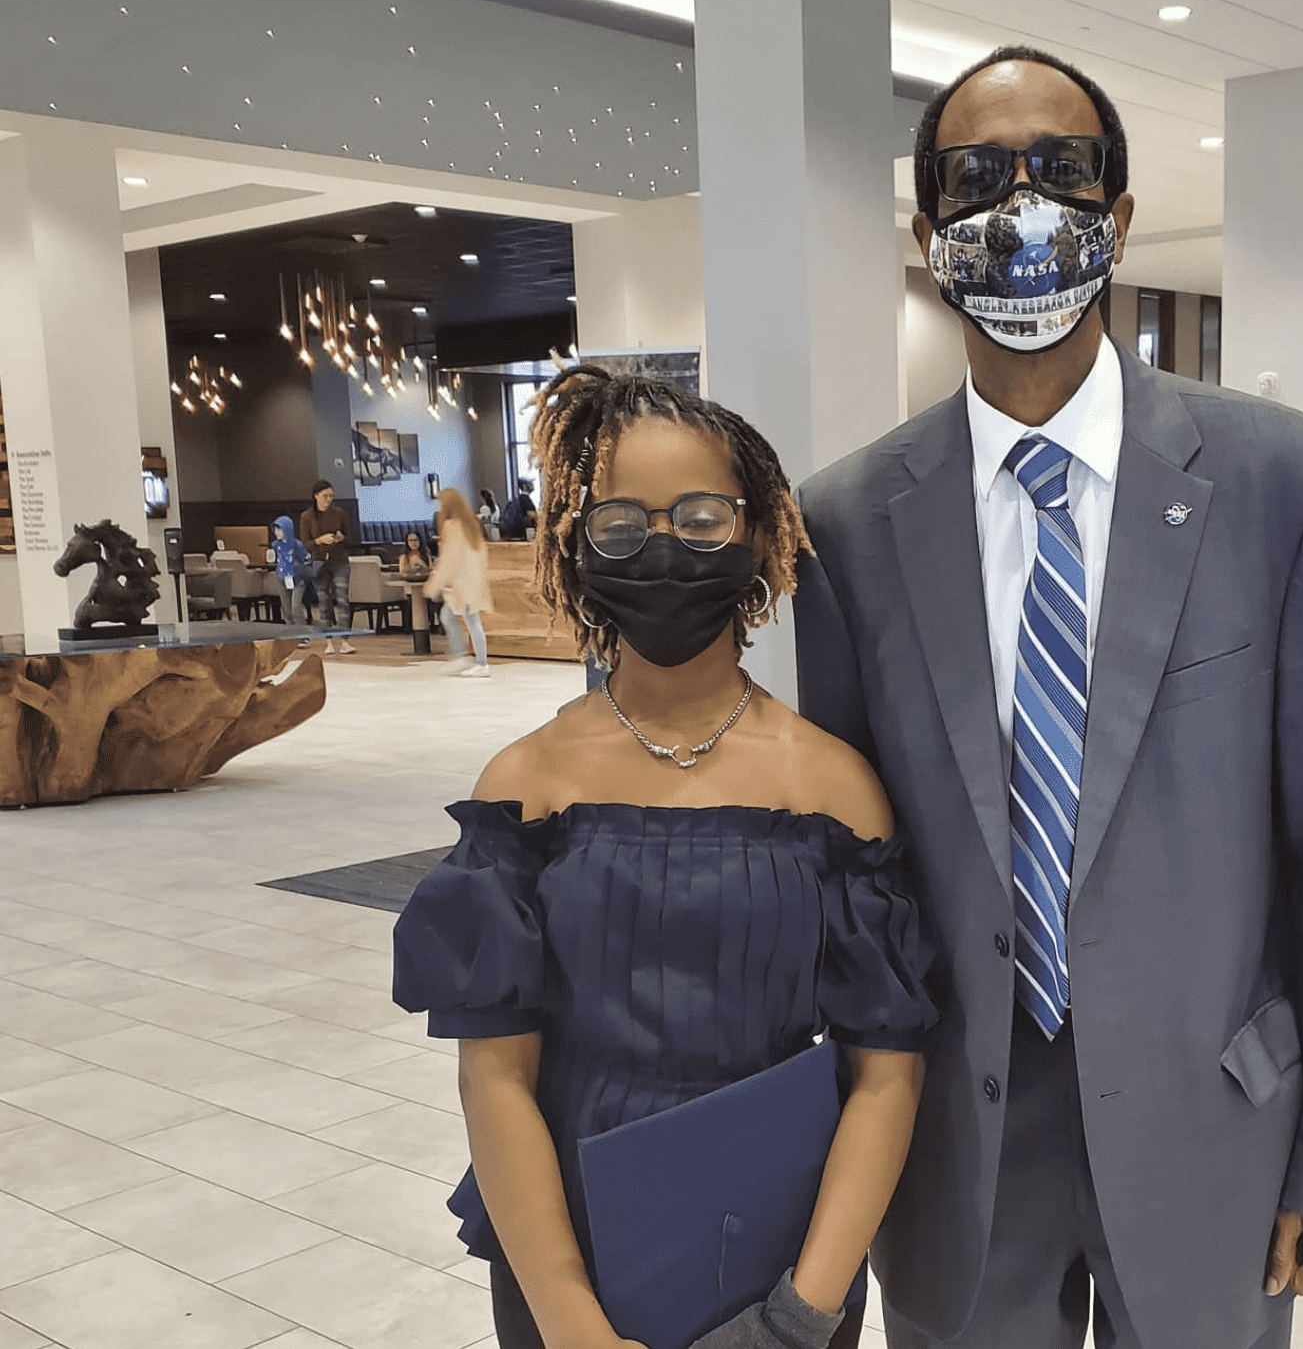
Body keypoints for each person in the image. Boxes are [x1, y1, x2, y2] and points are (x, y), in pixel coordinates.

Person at [792, 46, 1303, 1349]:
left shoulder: (1290, 487)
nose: (1023, 208)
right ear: (928, 230)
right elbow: (851, 869)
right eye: (979, 179)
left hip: (1215, 1120)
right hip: (955, 1132)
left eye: (1061, 173)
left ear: (1118, 217)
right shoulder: (844, 521)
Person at [392, 367, 938, 1349]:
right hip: (572, 1235)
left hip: (784, 1239)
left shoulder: (832, 788)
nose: (662, 549)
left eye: (698, 518)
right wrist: (568, 1322)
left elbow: (885, 1074)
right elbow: (496, 1078)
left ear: (760, 532)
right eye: (621, 525)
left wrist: (800, 1315)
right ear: (574, 547)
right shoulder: (526, 786)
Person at [425, 487, 492, 678]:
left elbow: (449, 560)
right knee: (449, 616)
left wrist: (434, 584)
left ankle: (479, 662)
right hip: (472, 581)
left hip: (464, 583)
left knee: (467, 620)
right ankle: (462, 657)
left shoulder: (453, 526)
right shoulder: (471, 524)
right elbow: (480, 555)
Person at [300, 478, 355, 655]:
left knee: (342, 599)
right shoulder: (307, 517)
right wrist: (319, 540)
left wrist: (340, 537)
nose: (329, 499)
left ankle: (344, 641)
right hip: (319, 561)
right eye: (325, 496)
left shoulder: (339, 513)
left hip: (339, 560)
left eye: (331, 496)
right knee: (323, 601)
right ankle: (328, 641)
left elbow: (350, 538)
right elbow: (305, 543)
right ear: (316, 496)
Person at [268, 515, 313, 630]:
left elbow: (306, 561)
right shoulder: (276, 545)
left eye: (280, 529)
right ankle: (291, 634)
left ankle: (302, 635)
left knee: (296, 608)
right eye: (275, 529)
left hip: (297, 579)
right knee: (286, 610)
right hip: (282, 578)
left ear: (287, 529)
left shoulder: (297, 545)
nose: (277, 532)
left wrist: (303, 573)